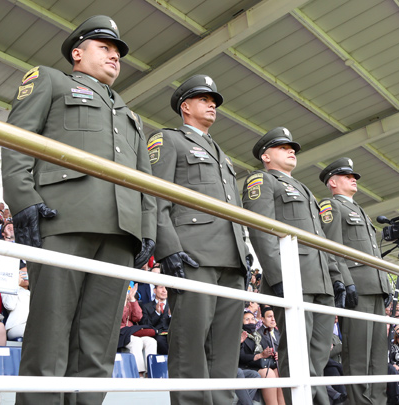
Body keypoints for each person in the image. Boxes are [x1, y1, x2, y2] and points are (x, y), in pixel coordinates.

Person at [1, 15, 156, 405]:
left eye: (118, 52)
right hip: (63, 220)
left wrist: (147, 228)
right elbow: (18, 138)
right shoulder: (51, 81)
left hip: (121, 232)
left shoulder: (130, 115)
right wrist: (23, 200)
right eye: (104, 47)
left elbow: (146, 181)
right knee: (50, 332)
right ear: (77, 53)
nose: (114, 56)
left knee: (99, 341)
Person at [148, 74, 249, 405]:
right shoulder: (168, 140)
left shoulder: (222, 155)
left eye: (214, 101)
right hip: (193, 255)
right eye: (204, 99)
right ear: (185, 106)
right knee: (189, 345)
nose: (212, 105)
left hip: (231, 260)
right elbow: (156, 196)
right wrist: (168, 247)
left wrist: (244, 251)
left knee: (224, 349)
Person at [242, 127, 340, 404]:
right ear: (265, 156)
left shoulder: (304, 188)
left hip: (319, 279)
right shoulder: (262, 180)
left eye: (293, 147)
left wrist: (335, 275)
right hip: (294, 276)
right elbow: (261, 229)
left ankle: (314, 398)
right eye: (283, 147)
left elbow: (320, 238)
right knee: (296, 351)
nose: (291, 151)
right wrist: (278, 276)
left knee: (320, 350)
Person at [318, 157, 391, 404]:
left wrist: (386, 283)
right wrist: (344, 281)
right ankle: (360, 402)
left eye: (354, 176)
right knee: (359, 353)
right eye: (347, 176)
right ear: (333, 182)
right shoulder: (331, 205)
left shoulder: (360, 210)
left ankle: (377, 400)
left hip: (375, 287)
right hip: (356, 287)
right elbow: (331, 247)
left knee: (379, 354)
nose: (353, 179)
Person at [240, 311, 286, 405]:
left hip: (260, 364)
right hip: (247, 366)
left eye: (252, 319)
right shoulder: (239, 335)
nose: (251, 322)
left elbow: (266, 352)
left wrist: (273, 354)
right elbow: (241, 357)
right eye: (247, 319)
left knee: (278, 371)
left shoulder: (258, 335)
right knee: (269, 373)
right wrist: (259, 356)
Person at [120, 283, 158, 376]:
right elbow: (120, 318)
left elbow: (138, 317)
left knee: (151, 341)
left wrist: (132, 300)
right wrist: (124, 302)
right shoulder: (117, 301)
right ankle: (139, 373)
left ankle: (151, 372)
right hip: (120, 333)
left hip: (131, 331)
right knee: (137, 342)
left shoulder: (131, 301)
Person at [140, 285, 170, 354]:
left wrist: (170, 315)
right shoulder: (146, 306)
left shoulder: (172, 305)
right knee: (160, 340)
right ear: (154, 290)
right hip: (157, 334)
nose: (164, 290)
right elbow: (146, 324)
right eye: (161, 287)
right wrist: (157, 313)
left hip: (171, 334)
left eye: (166, 288)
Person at [2, 267, 30, 340]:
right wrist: (16, 284)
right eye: (22, 274)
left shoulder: (35, 292)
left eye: (28, 274)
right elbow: (10, 306)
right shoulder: (9, 290)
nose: (25, 277)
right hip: (16, 327)